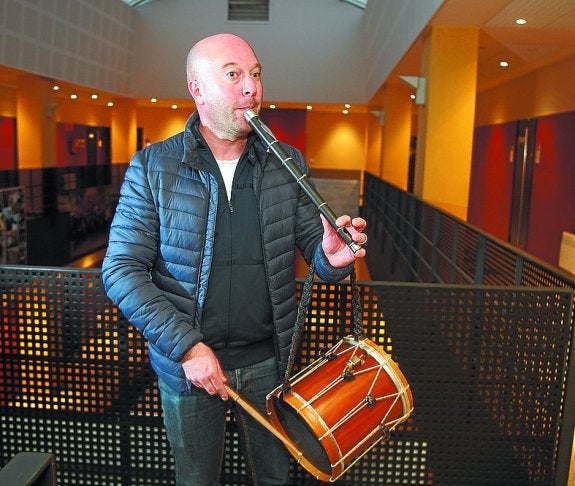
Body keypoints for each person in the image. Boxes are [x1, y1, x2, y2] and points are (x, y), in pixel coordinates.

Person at [101, 32, 367, 486]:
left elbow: (317, 249)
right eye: (234, 75)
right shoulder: (153, 166)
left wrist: (332, 259)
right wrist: (187, 347)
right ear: (197, 89)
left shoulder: (287, 162)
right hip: (189, 367)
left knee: (274, 477)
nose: (252, 87)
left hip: (270, 363)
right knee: (197, 479)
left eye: (256, 74)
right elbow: (121, 271)